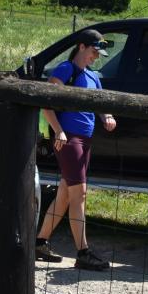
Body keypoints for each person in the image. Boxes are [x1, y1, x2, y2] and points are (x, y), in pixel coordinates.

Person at [34, 28, 117, 271]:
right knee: (79, 194)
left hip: (85, 140)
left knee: (65, 194)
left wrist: (107, 116)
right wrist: (58, 130)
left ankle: (39, 243)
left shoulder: (93, 76)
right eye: (94, 51)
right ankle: (83, 252)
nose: (96, 57)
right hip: (68, 140)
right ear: (81, 47)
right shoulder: (65, 69)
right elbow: (46, 103)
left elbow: (101, 104)